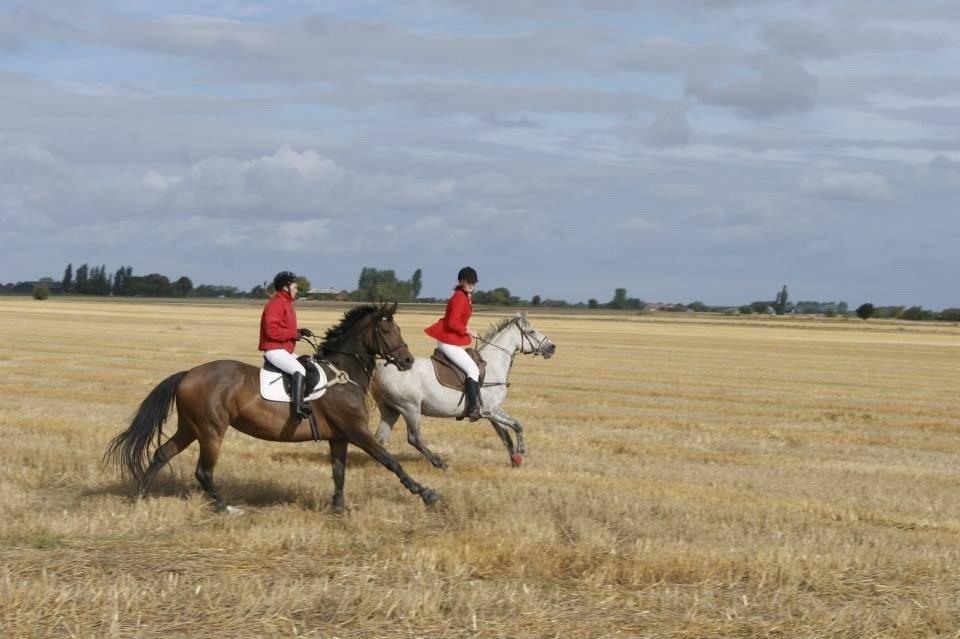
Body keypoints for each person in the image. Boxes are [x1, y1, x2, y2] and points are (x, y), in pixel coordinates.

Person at [425, 266, 483, 421]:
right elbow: (452, 323)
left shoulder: (464, 296)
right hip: (448, 341)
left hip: (451, 340)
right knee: (473, 370)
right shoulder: (459, 297)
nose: (471, 285)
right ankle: (472, 409)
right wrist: (468, 331)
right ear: (461, 281)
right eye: (468, 282)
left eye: (473, 282)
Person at [259, 271, 314, 422]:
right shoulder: (276, 304)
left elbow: (283, 328)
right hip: (274, 350)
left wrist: (299, 332)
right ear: (285, 288)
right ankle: (298, 409)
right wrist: (293, 334)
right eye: (295, 287)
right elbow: (271, 330)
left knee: (308, 363)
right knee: (299, 370)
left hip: (283, 350)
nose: (297, 290)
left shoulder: (285, 303)